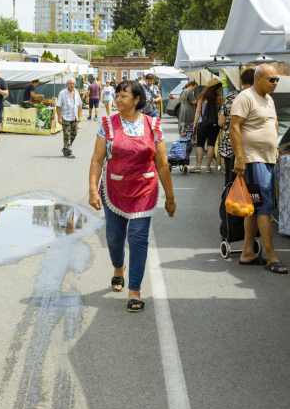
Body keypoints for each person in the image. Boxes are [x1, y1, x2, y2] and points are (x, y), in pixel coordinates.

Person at [88, 79, 176, 312]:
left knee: (138, 238)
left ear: (137, 99)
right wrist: (91, 190)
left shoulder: (154, 125)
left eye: (123, 96)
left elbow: (163, 164)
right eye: (116, 95)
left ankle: (134, 290)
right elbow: (97, 160)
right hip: (114, 188)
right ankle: (119, 267)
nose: (117, 100)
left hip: (144, 191)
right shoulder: (107, 124)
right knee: (114, 238)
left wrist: (170, 197)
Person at [230, 63, 283, 272]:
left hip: (267, 158)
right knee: (264, 208)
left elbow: (274, 123)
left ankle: (247, 253)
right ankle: (271, 256)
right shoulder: (245, 97)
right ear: (258, 79)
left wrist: (275, 146)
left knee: (254, 208)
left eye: (277, 79)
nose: (275, 83)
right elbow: (234, 126)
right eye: (272, 79)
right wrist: (240, 158)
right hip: (253, 160)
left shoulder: (269, 99)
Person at [219, 68, 253, 184]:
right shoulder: (258, 97)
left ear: (242, 81)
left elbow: (221, 122)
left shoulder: (231, 96)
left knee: (230, 181)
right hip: (251, 146)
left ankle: (228, 201)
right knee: (251, 184)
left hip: (230, 142)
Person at [192, 79, 223, 173]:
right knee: (211, 145)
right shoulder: (220, 99)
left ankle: (198, 166)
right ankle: (208, 167)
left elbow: (198, 111)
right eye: (220, 88)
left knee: (200, 145)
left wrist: (195, 123)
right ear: (216, 88)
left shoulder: (201, 96)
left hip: (202, 123)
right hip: (214, 124)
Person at [56, 77, 83, 158]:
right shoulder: (62, 93)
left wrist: (79, 117)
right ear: (67, 84)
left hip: (74, 117)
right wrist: (59, 118)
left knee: (74, 133)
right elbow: (58, 106)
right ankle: (68, 151)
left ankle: (66, 147)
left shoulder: (77, 93)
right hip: (66, 117)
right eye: (70, 83)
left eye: (73, 84)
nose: (72, 85)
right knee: (67, 135)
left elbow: (79, 105)